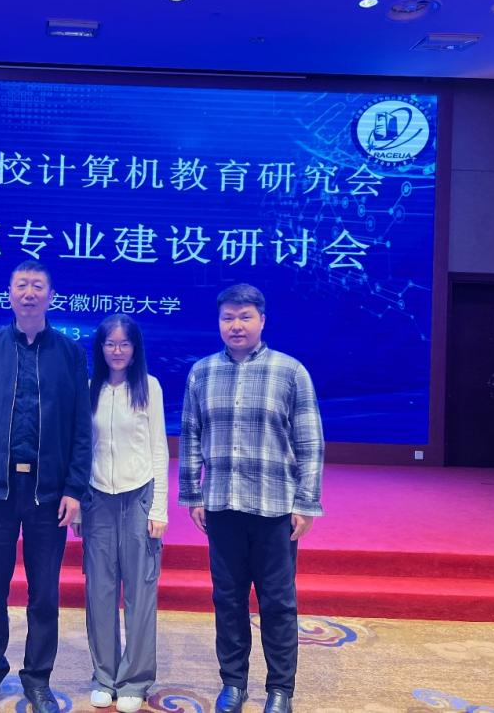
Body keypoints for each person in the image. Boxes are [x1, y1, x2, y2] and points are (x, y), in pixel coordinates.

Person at [0, 260, 92, 713]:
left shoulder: (69, 353)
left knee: (44, 593)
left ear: (51, 296)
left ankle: (38, 679)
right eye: (21, 285)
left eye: (37, 286)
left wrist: (75, 488)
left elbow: (80, 428)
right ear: (9, 293)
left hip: (48, 493)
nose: (29, 293)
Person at [178, 284, 324, 713]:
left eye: (244, 316)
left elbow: (310, 442)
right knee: (228, 600)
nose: (236, 325)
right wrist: (192, 493)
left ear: (262, 320)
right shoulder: (202, 372)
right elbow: (191, 436)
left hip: (274, 507)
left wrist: (306, 502)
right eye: (228, 317)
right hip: (222, 504)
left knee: (278, 602)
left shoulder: (290, 371)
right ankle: (233, 684)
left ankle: (280, 689)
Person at [72, 314, 169, 713]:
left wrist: (159, 507)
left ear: (134, 348)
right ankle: (104, 675)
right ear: (100, 348)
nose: (117, 351)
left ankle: (136, 679)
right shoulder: (88, 389)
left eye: (124, 344)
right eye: (110, 344)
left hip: (139, 496)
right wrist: (78, 504)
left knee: (140, 592)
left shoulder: (149, 387)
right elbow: (81, 448)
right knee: (100, 589)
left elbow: (159, 448)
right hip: (97, 498)